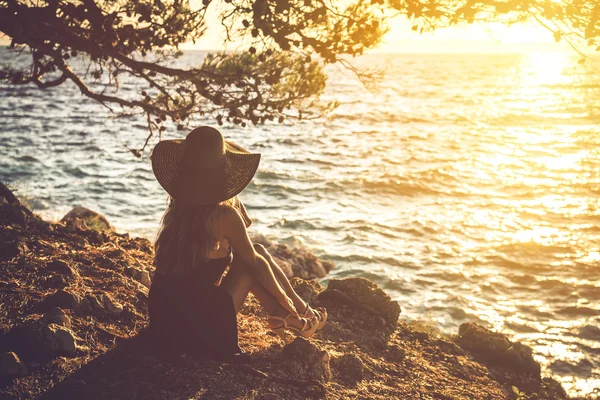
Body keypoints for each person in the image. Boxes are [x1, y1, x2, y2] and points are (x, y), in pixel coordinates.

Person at [148, 126, 327, 362]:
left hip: (165, 315)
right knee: (251, 264)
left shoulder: (179, 205)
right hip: (191, 327)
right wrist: (286, 298)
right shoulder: (223, 216)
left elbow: (246, 254)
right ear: (223, 170)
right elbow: (253, 264)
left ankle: (289, 318)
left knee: (258, 251)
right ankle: (296, 315)